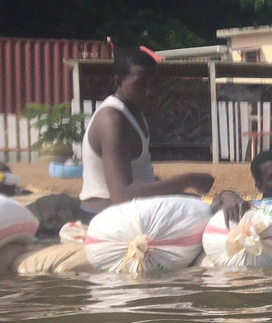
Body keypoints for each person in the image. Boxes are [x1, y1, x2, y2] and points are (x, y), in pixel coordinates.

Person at [79, 47, 213, 220]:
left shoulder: (135, 113)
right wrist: (187, 180)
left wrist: (181, 192)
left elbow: (142, 177)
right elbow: (121, 196)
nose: (150, 92)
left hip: (131, 209)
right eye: (140, 84)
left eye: (154, 83)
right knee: (201, 216)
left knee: (201, 206)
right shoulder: (112, 119)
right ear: (118, 82)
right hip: (104, 217)